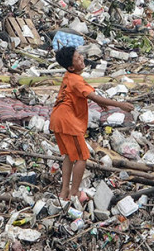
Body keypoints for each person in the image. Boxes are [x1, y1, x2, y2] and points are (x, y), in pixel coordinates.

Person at [50, 45, 133, 202]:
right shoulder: (76, 80)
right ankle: (73, 193)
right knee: (82, 157)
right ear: (71, 67)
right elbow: (93, 96)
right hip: (67, 121)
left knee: (69, 155)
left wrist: (100, 102)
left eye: (80, 55)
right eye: (78, 58)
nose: (82, 58)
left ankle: (64, 191)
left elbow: (86, 94)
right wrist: (120, 105)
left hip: (57, 119)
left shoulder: (69, 77)